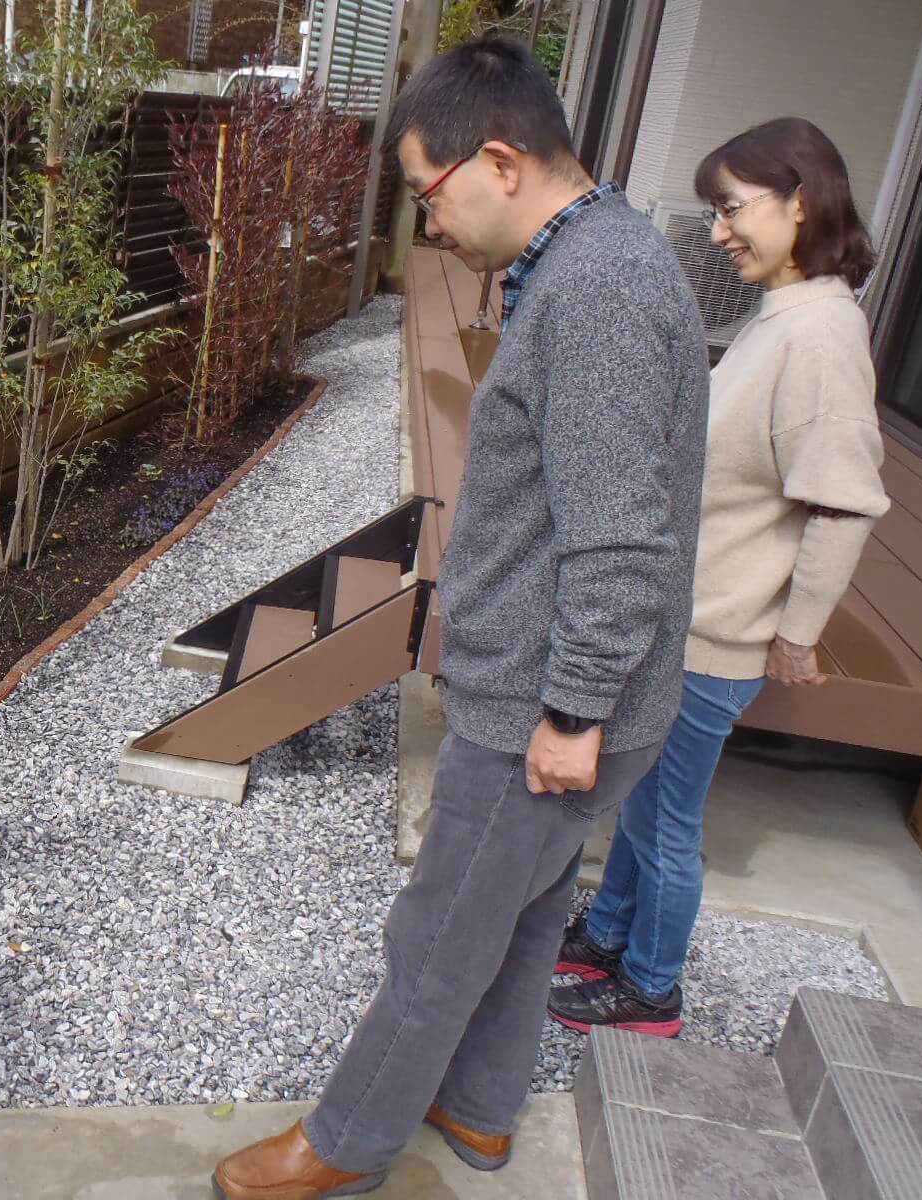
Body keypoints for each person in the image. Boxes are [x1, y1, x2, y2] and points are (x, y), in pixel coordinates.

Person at [211, 36, 708, 1199]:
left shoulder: (596, 291)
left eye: (428, 194)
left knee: (438, 933)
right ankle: (478, 1114)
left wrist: (573, 709)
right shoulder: (597, 260)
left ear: (498, 160)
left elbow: (620, 541)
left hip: (548, 699)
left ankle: (346, 1143)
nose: (428, 223)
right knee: (525, 915)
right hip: (557, 686)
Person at [548, 118, 889, 1038]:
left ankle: (651, 988)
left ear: (802, 201)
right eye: (713, 211)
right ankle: (611, 939)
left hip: (719, 633)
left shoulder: (820, 335)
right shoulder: (783, 318)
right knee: (645, 803)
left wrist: (797, 631)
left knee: (665, 822)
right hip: (688, 620)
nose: (717, 231)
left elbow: (845, 501)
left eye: (733, 208)